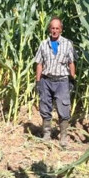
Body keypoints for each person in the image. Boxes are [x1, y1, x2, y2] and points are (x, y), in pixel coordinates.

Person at [33, 17, 76, 147]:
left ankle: (63, 137)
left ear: (61, 29)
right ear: (49, 29)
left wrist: (72, 78)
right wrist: (38, 81)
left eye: (57, 28)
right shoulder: (43, 44)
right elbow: (39, 64)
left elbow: (71, 62)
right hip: (46, 80)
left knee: (63, 108)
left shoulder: (67, 44)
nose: (55, 31)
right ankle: (46, 134)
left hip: (62, 81)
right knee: (45, 107)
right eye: (52, 28)